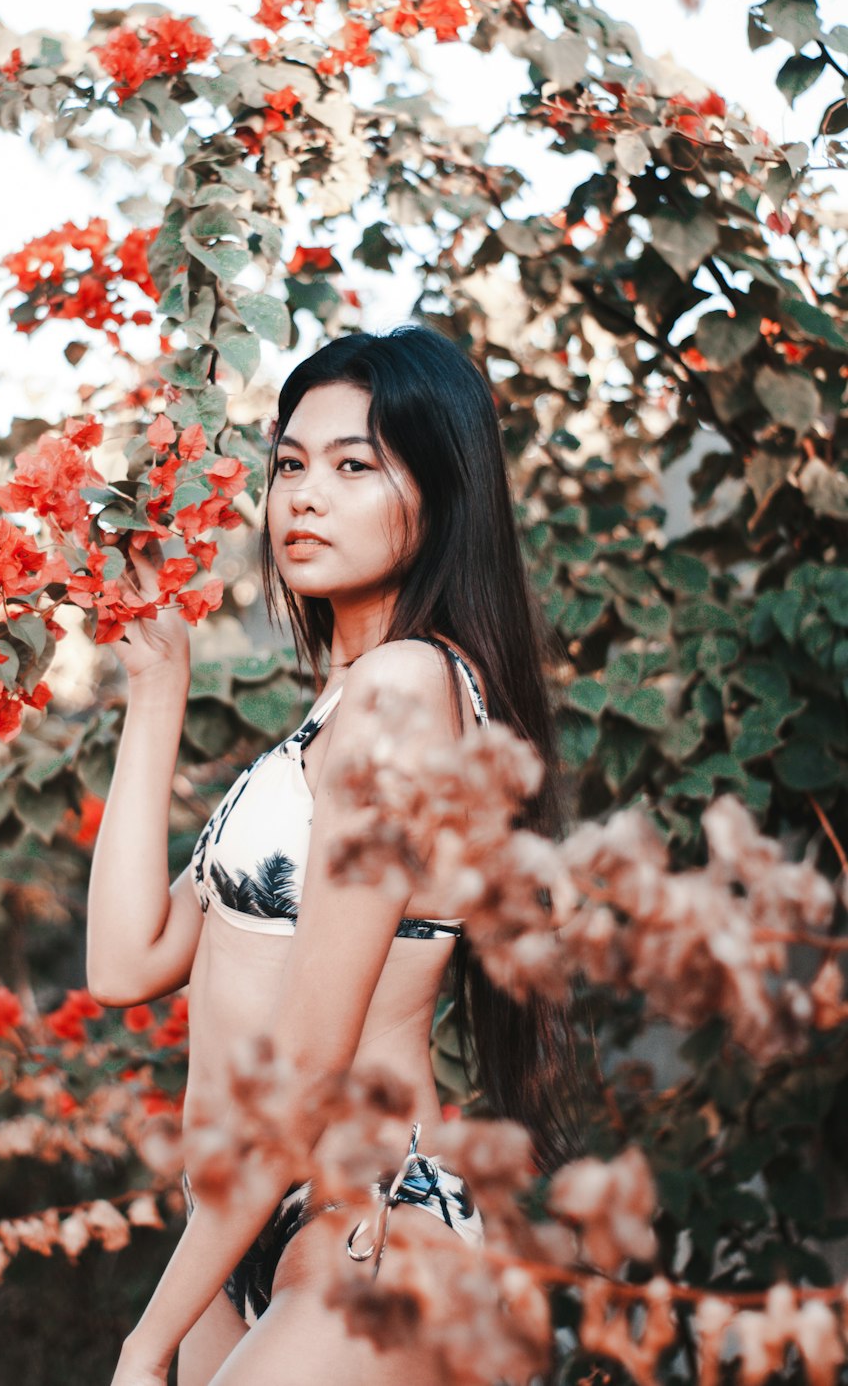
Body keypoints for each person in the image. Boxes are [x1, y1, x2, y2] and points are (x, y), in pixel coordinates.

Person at [87, 324, 572, 1386]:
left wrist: (142, 1340)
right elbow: (128, 962)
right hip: (241, 1231)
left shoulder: (407, 692)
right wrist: (156, 690)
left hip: (370, 1225)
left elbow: (309, 1064)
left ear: (440, 495)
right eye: (291, 465)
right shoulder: (336, 715)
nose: (304, 496)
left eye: (356, 466)